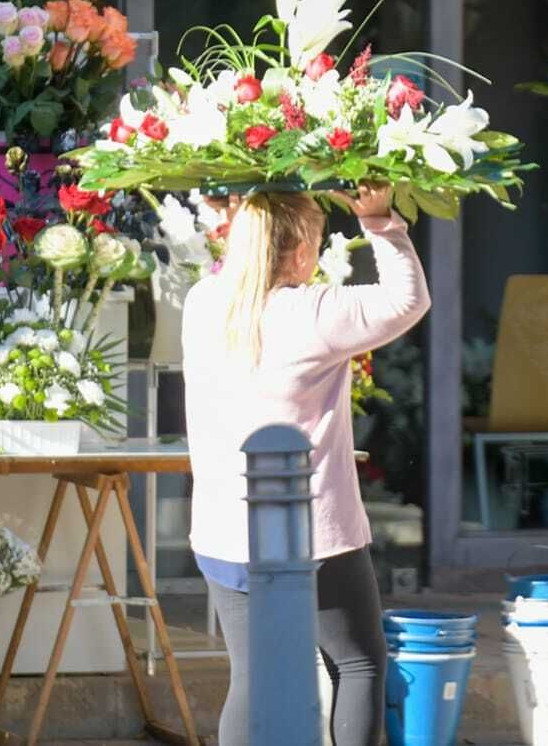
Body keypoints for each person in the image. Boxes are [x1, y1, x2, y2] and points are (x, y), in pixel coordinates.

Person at [183, 184, 429, 746]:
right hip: (310, 536)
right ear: (298, 254)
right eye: (315, 245)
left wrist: (241, 218)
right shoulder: (313, 313)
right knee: (357, 664)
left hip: (225, 532)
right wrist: (378, 220)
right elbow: (406, 301)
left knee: (250, 676)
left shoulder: (202, 303)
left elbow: (241, 271)